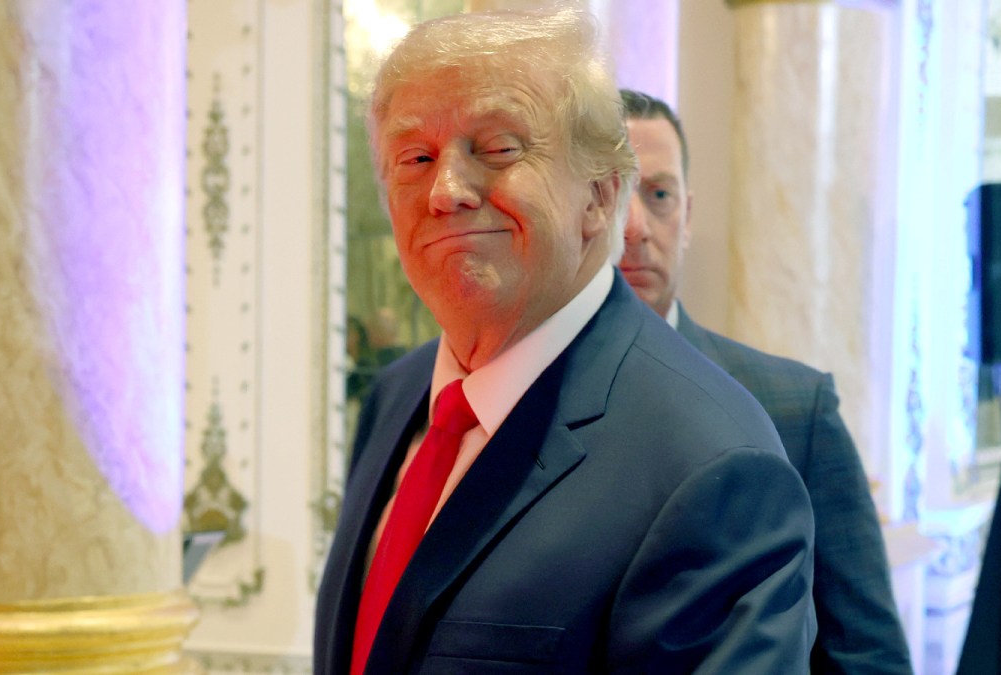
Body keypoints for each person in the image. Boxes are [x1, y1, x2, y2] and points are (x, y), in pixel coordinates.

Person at [315, 8, 816, 673]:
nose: (446, 190)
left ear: (600, 197)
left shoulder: (712, 463)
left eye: (497, 148)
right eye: (416, 157)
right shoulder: (395, 398)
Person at [617, 88, 913, 673]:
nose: (634, 228)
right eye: (613, 193)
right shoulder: (524, 404)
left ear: (689, 215)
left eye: (658, 195)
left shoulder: (795, 410)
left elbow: (870, 657)